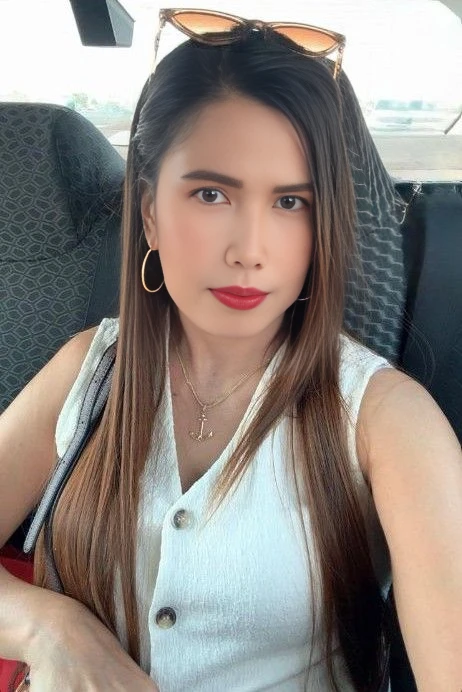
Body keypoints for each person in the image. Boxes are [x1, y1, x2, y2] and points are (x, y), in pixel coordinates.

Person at [1, 9, 461, 692]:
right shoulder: (90, 370)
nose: (250, 249)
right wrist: (49, 629)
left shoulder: (384, 420)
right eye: (211, 193)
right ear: (150, 213)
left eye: (291, 203)